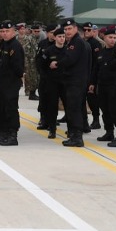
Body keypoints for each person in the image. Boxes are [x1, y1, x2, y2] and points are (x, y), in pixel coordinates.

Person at [51, 19, 90, 147]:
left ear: (75, 29)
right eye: (65, 29)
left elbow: (70, 59)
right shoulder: (76, 42)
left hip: (75, 81)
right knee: (73, 108)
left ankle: (77, 137)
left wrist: (57, 63)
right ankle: (74, 135)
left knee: (74, 109)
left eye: (69, 29)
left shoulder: (76, 43)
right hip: (75, 81)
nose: (67, 32)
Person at [0, 20, 25, 146]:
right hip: (2, 83)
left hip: (10, 84)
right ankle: (5, 132)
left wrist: (12, 81)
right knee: (3, 108)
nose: (4, 34)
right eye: (3, 32)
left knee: (11, 108)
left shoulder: (15, 46)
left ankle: (12, 134)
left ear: (13, 32)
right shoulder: (5, 45)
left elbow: (18, 68)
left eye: (7, 31)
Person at [38, 26, 65, 139]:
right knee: (52, 106)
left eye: (63, 36)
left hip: (64, 82)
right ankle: (52, 130)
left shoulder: (68, 50)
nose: (62, 39)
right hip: (52, 82)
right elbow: (41, 65)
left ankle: (72, 130)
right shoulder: (49, 51)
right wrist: (46, 78)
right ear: (55, 38)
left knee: (68, 106)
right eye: (59, 36)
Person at [92, 26, 116, 141]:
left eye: (114, 37)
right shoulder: (101, 52)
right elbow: (96, 69)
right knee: (105, 110)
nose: (113, 40)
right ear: (104, 37)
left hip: (113, 86)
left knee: (114, 110)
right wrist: (92, 83)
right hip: (102, 86)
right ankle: (109, 132)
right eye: (110, 37)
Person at [82, 22, 103, 130]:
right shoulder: (82, 42)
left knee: (92, 100)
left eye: (89, 30)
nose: (86, 32)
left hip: (91, 75)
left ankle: (96, 120)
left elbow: (97, 63)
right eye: (84, 30)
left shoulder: (95, 44)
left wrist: (93, 80)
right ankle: (84, 121)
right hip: (82, 75)